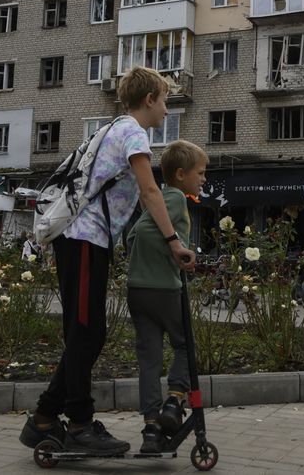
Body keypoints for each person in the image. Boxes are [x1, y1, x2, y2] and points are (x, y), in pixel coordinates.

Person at [20, 66, 196, 456]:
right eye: (164, 101)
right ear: (149, 99)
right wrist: (173, 242)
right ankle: (78, 423)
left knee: (87, 331)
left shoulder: (113, 127)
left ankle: (46, 419)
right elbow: (150, 190)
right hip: (83, 238)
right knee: (86, 331)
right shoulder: (133, 132)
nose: (166, 110)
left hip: (87, 241)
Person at [125, 139, 206, 453]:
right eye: (200, 173)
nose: (204, 179)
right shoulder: (172, 197)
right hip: (163, 289)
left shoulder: (159, 200)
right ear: (182, 174)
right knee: (185, 344)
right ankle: (173, 401)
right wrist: (173, 251)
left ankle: (151, 429)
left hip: (138, 289)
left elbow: (134, 234)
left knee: (149, 358)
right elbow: (146, 233)